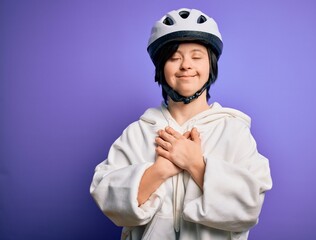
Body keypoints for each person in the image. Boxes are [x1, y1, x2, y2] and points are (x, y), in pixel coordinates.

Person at [90, 8, 272, 240]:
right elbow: (107, 198)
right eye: (174, 57)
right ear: (161, 68)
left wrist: (195, 164)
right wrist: (160, 170)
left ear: (211, 65)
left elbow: (249, 207)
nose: (186, 65)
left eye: (197, 56)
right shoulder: (138, 132)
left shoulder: (234, 132)